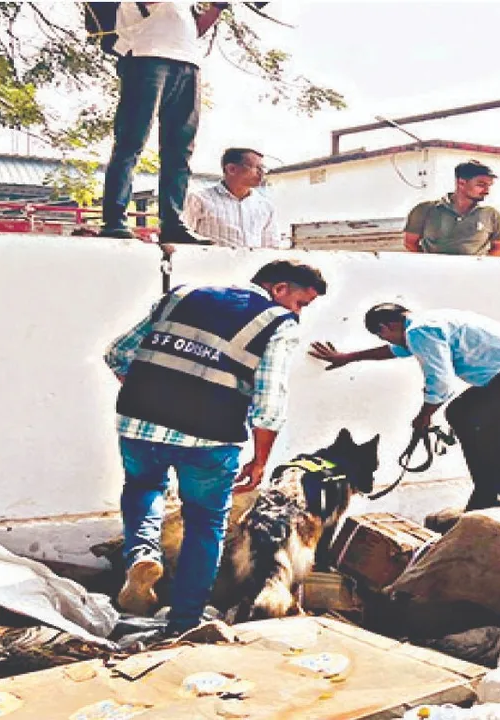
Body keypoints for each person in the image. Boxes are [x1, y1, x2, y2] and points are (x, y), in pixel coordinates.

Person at [105, 259, 327, 635]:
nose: (298, 313)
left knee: (143, 488)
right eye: (301, 303)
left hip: (139, 423)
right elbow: (269, 404)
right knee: (206, 523)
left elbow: (117, 354)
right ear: (279, 289)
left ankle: (142, 557)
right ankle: (184, 623)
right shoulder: (277, 322)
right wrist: (260, 460)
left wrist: (155, 392)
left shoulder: (181, 295)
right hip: (209, 436)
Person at [309, 304, 500, 511]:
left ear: (385, 327)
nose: (387, 342)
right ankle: (493, 484)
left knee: (487, 440)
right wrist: (349, 357)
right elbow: (396, 350)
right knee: (460, 413)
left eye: (383, 336)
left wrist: (424, 417)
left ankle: (492, 489)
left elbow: (441, 383)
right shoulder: (428, 323)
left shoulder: (419, 331)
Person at [100, 1, 227, 245]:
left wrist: (218, 6)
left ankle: (173, 223)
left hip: (188, 61)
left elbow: (196, 28)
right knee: (131, 142)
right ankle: (114, 220)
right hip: (145, 53)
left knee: (180, 149)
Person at [403, 161, 500, 256]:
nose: (487, 191)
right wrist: (430, 264)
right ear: (461, 183)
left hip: (473, 275)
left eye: (489, 185)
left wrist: (480, 269)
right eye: (481, 185)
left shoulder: (493, 214)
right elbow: (410, 243)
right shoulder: (424, 210)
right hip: (434, 275)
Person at [183, 148, 281, 249]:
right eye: (257, 168)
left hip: (254, 264)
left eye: (263, 168)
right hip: (212, 263)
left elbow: (271, 246)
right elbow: (182, 239)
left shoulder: (265, 206)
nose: (262, 173)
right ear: (231, 169)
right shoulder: (199, 199)